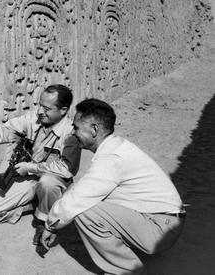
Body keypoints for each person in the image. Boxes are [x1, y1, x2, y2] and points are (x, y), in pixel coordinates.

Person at [40, 98, 185, 274]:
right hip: (163, 221)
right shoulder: (116, 146)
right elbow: (81, 191)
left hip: (160, 228)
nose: (73, 132)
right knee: (78, 192)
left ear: (94, 129)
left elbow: (77, 200)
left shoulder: (112, 158)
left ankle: (128, 270)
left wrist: (50, 225)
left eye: (77, 127)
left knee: (84, 210)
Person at [0, 84, 81, 245]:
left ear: (63, 110)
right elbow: (4, 130)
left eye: (46, 108)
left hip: (54, 181)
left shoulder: (71, 133)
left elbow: (66, 169)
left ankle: (44, 222)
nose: (39, 111)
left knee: (47, 182)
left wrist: (32, 167)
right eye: (39, 105)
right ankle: (31, 204)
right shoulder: (33, 119)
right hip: (30, 177)